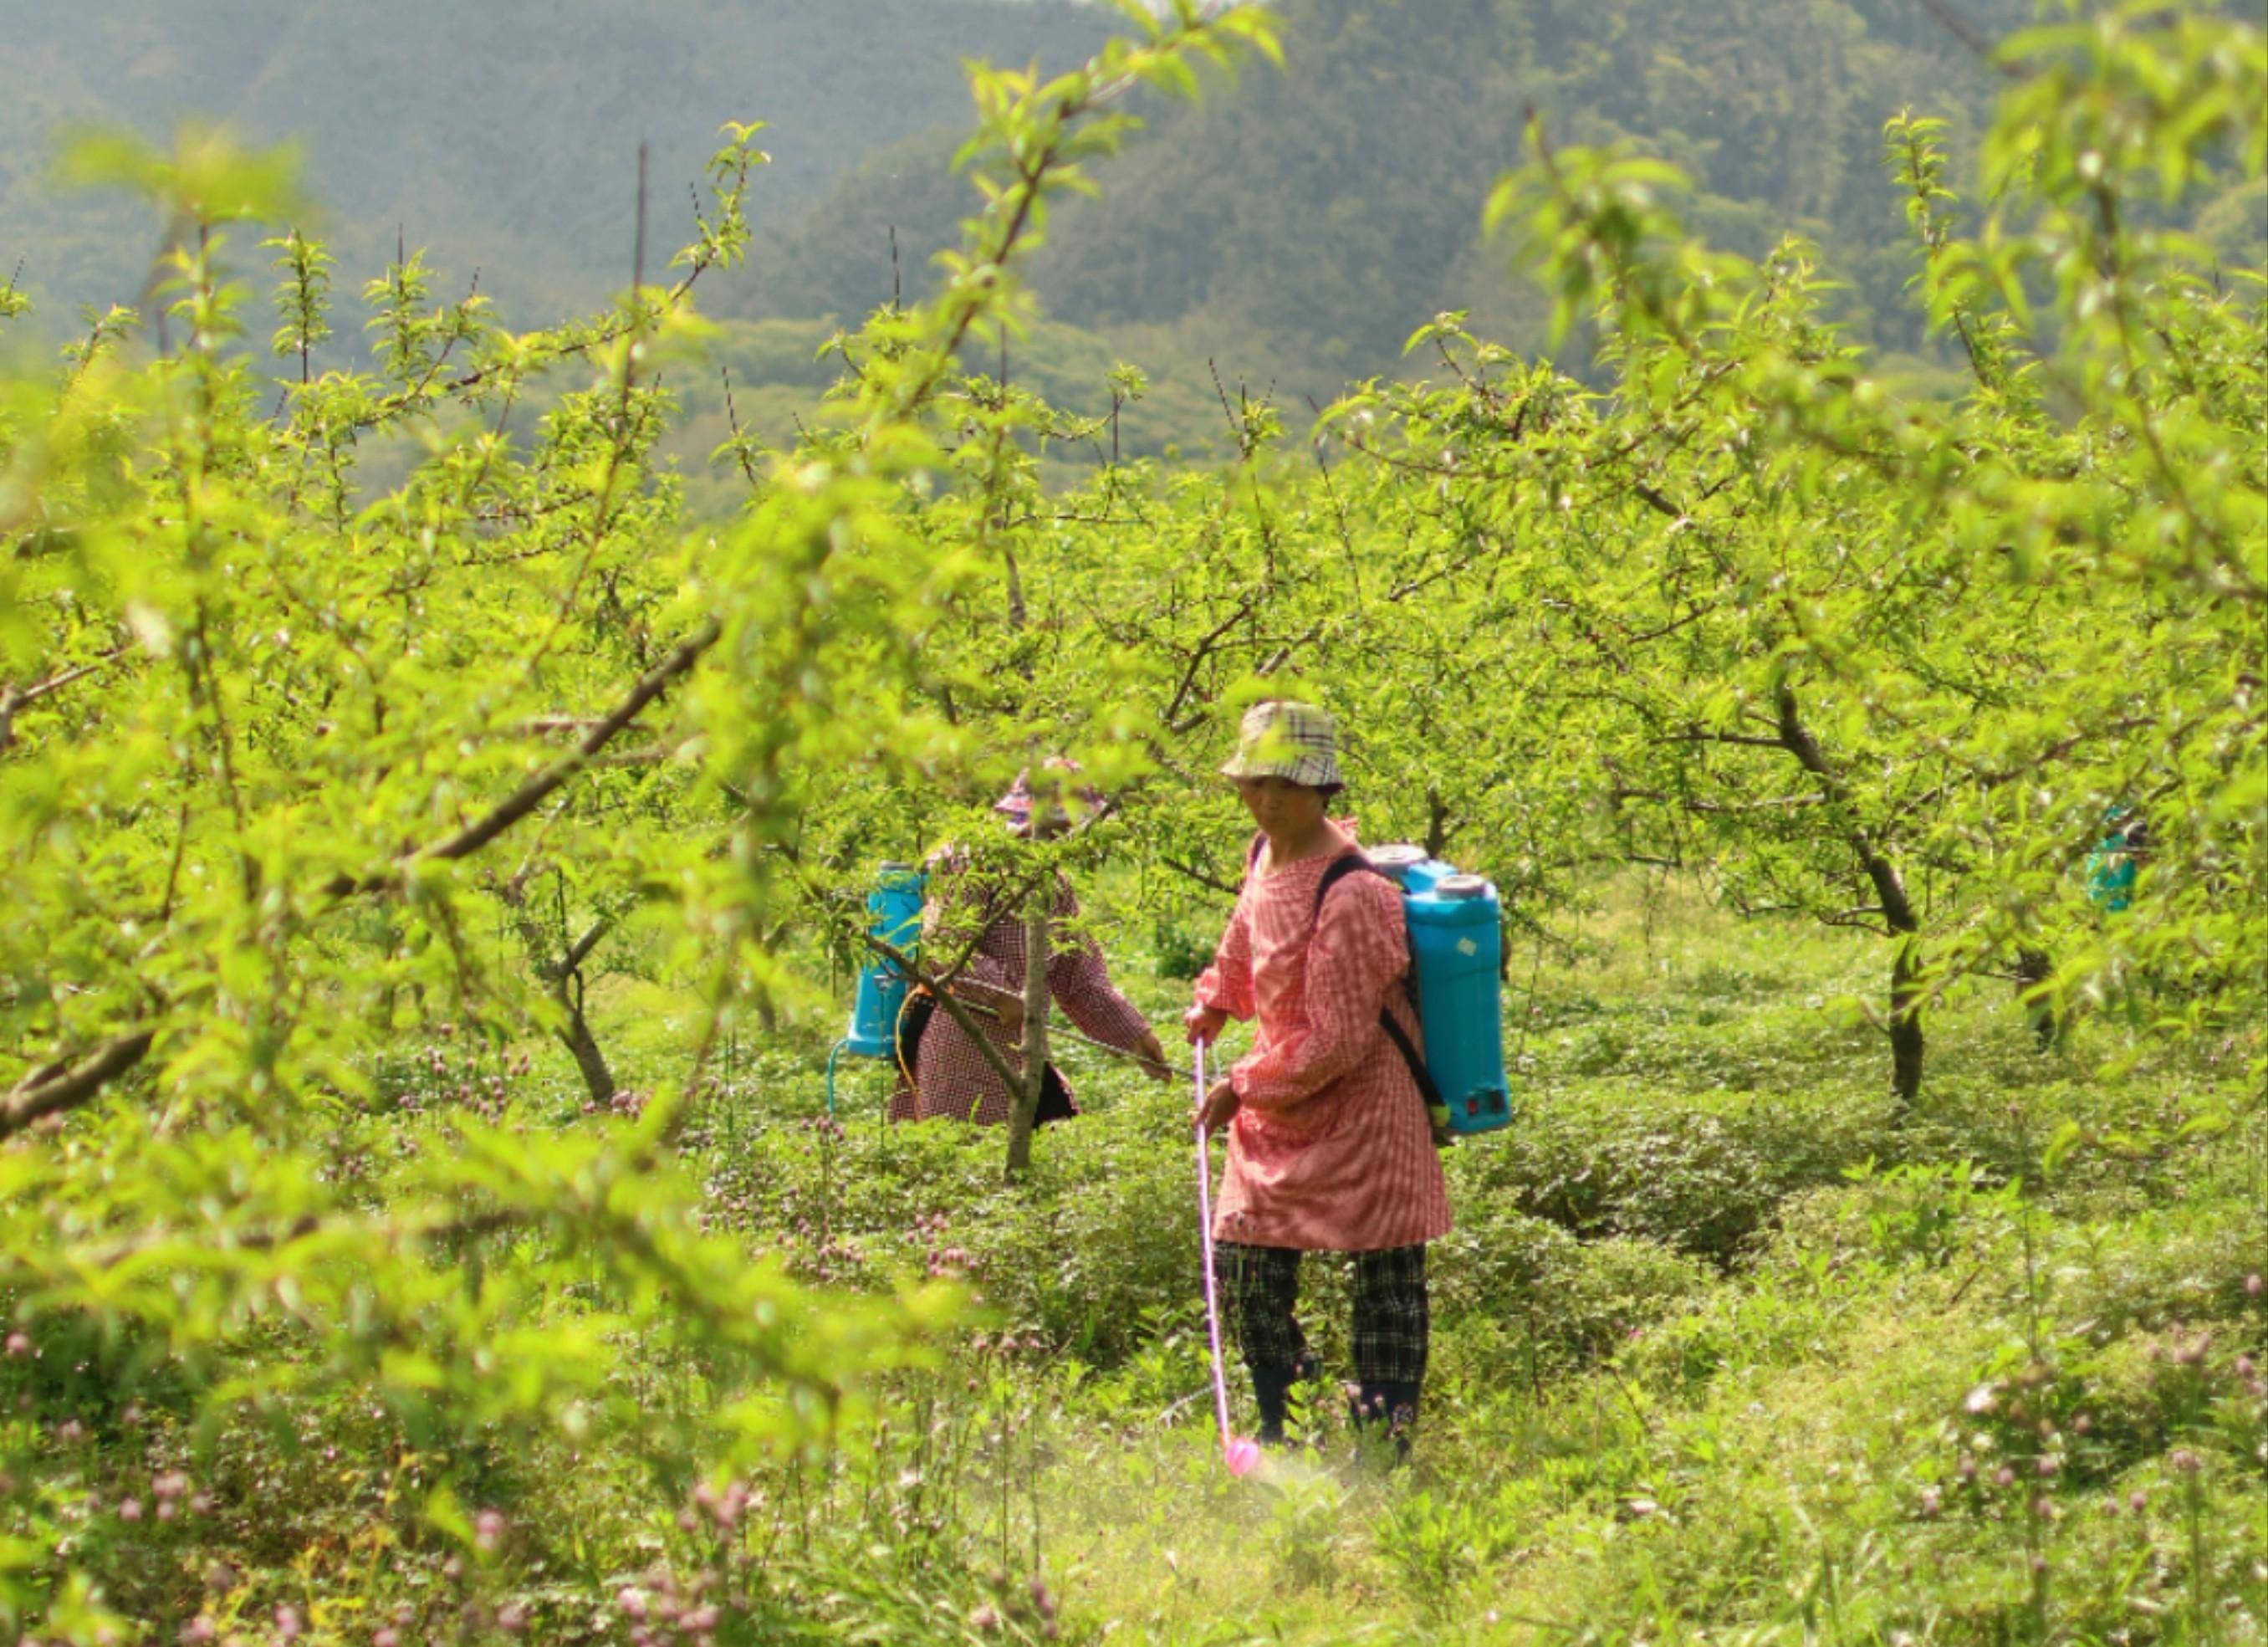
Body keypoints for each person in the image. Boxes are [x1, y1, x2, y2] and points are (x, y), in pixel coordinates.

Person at [1184, 701, 1452, 1455]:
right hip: (1281, 1101)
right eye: (1253, 782)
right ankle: (1285, 1424)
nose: (1265, 800)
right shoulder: (1264, 855)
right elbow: (1247, 941)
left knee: (1387, 1286)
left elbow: (1337, 1041)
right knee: (1246, 1269)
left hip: (1369, 1114)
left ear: (1322, 789)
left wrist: (1241, 1083)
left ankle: (1382, 1444)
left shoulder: (1356, 894)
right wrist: (1216, 998)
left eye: (1283, 785)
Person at [890, 764, 1170, 1125]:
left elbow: (1079, 979)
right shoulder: (974, 861)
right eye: (1057, 828)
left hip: (1022, 1051)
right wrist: (999, 994)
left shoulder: (1055, 885)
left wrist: (1134, 1035)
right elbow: (945, 944)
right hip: (958, 1049)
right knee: (966, 1153)